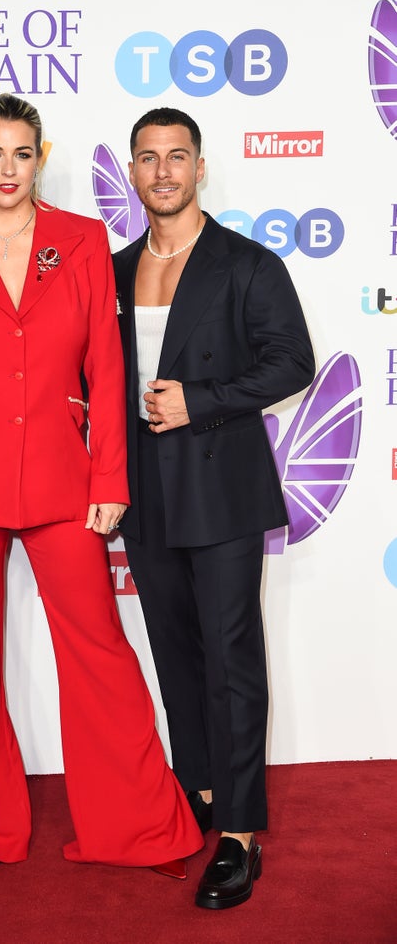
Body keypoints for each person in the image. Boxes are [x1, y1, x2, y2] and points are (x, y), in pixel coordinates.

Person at [0, 93, 203, 875]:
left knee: (99, 650)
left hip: (62, 474)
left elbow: (106, 365)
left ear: (40, 158)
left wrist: (110, 475)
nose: (8, 169)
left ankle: (136, 828)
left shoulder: (81, 240)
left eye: (22, 153)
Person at [112, 107, 315, 909]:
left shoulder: (246, 264)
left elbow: (291, 362)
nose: (162, 171)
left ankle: (239, 832)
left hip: (220, 484)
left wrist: (200, 399)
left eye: (177, 156)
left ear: (200, 167)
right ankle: (197, 791)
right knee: (175, 651)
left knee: (232, 659)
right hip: (144, 490)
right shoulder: (115, 269)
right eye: (148, 157)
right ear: (132, 171)